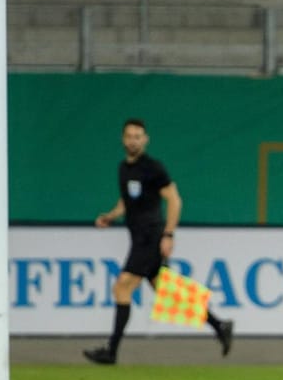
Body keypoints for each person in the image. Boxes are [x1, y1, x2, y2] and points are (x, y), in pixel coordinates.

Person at [83, 118, 234, 364]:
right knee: (166, 291)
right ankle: (219, 325)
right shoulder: (124, 168)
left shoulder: (153, 168)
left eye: (138, 136)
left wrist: (168, 234)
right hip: (138, 238)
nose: (133, 140)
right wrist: (110, 216)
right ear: (123, 139)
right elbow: (127, 201)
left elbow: (175, 200)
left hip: (150, 237)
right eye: (129, 136)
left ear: (145, 139)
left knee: (122, 287)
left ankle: (111, 351)